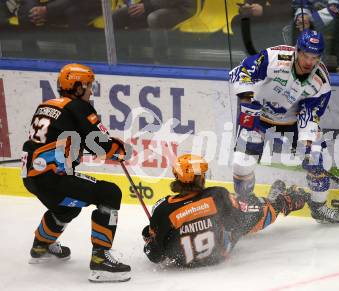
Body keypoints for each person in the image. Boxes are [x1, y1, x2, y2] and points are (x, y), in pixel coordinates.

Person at [21, 64, 132, 282]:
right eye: (89, 85)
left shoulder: (46, 105)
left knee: (65, 209)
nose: (91, 90)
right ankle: (101, 262)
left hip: (32, 177)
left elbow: (64, 137)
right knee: (109, 193)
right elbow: (100, 143)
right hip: (51, 178)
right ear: (77, 87)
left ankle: (41, 247)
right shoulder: (79, 107)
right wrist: (120, 150)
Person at [228, 29, 339, 224]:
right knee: (242, 162)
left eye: (314, 57)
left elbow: (310, 114)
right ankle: (244, 205)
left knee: (319, 162)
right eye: (305, 55)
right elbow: (240, 72)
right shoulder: (274, 57)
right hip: (258, 115)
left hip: (293, 123)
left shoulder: (321, 81)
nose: (309, 62)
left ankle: (318, 207)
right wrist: (248, 101)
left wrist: (306, 144)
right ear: (297, 51)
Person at [141, 154, 310, 267]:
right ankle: (279, 203)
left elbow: (155, 255)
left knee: (238, 209)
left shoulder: (162, 209)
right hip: (221, 251)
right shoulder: (216, 195)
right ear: (199, 178)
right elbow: (238, 222)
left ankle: (266, 203)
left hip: (185, 263)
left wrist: (150, 236)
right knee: (250, 209)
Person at [112, 0, 196, 30]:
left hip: (180, 8)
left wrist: (147, 5)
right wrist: (128, 4)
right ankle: (121, 58)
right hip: (150, 6)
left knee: (154, 18)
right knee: (117, 15)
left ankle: (160, 60)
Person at [17, 0, 101, 28]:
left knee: (73, 11)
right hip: (51, 7)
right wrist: (34, 9)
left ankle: (83, 58)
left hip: (81, 6)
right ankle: (32, 60)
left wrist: (47, 10)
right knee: (28, 11)